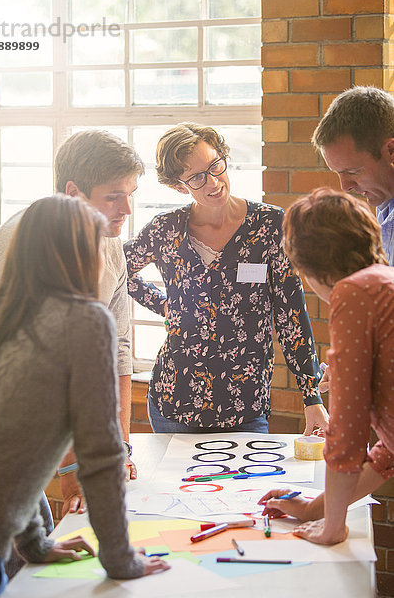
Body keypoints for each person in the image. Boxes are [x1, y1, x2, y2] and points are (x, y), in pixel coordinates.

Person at [0, 195, 169, 598]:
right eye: (98, 244)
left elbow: (7, 447)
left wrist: (35, 545)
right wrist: (119, 558)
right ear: (78, 253)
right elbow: (100, 454)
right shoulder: (85, 319)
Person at [0, 130, 144, 522]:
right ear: (73, 192)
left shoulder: (109, 244)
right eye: (113, 196)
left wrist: (120, 450)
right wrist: (72, 473)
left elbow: (116, 349)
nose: (127, 209)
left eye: (131, 193)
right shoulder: (32, 243)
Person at [124, 122, 328, 433]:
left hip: (244, 407)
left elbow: (291, 315)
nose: (213, 181)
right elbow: (119, 269)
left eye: (215, 166)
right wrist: (163, 304)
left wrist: (312, 398)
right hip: (174, 403)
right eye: (197, 177)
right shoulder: (164, 230)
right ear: (179, 186)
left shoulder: (270, 225)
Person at [260, 187, 394, 545]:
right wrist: (313, 509)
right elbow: (387, 454)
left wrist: (332, 526)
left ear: (307, 264)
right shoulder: (382, 283)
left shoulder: (353, 292)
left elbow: (347, 430)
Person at [312, 85, 394, 266]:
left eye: (353, 172)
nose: (345, 187)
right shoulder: (384, 200)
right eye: (338, 173)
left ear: (391, 150)